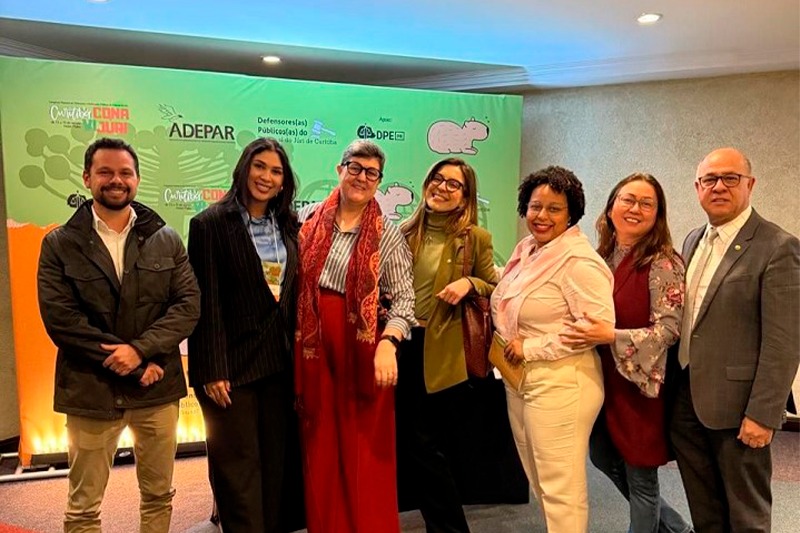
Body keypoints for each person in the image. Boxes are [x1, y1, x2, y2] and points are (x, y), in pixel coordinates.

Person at [37, 137, 200, 533]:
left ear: (137, 179)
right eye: (105, 172)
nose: (116, 180)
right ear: (86, 177)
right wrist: (132, 363)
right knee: (83, 507)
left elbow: (187, 305)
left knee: (159, 496)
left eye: (125, 173)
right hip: (91, 391)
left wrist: (141, 352)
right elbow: (62, 320)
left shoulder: (167, 238)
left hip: (156, 388)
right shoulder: (59, 244)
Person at [669, 147, 800, 532]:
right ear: (697, 188)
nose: (719, 187)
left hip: (740, 408)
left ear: (750, 184)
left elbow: (784, 341)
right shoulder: (693, 240)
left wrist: (763, 414)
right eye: (710, 179)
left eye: (730, 178)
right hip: (687, 401)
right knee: (705, 510)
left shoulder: (778, 246)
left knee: (746, 516)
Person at [295, 139, 416, 533]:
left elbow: (404, 299)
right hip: (313, 344)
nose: (362, 177)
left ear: (379, 181)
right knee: (320, 443)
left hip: (363, 348)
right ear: (340, 169)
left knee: (364, 450)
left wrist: (388, 343)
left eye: (372, 173)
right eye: (355, 168)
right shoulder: (308, 220)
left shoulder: (387, 234)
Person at [561, 173, 692, 533]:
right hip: (599, 378)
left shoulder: (664, 262)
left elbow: (668, 330)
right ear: (611, 207)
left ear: (657, 214)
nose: (635, 208)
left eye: (646, 203)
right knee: (602, 456)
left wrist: (611, 336)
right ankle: (677, 529)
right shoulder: (601, 256)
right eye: (628, 200)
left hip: (639, 383)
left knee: (641, 477)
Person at [187, 137, 303, 532]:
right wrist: (212, 369)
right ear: (244, 169)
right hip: (230, 370)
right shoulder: (209, 224)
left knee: (274, 469)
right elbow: (206, 302)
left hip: (278, 365)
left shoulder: (288, 225)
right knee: (237, 471)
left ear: (284, 181)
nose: (266, 177)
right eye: (260, 166)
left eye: (276, 171)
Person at [491, 166, 615, 532]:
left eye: (554, 208)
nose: (542, 216)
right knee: (540, 480)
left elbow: (598, 327)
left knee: (561, 489)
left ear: (571, 213)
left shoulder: (579, 261)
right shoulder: (529, 249)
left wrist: (531, 347)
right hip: (520, 379)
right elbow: (512, 291)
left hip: (562, 382)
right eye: (535, 206)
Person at [396, 158, 498, 532]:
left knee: (427, 447)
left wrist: (469, 283)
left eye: (453, 184)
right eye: (438, 179)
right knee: (414, 447)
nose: (442, 187)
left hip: (441, 350)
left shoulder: (475, 238)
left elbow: (494, 285)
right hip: (401, 343)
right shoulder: (403, 232)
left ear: (466, 196)